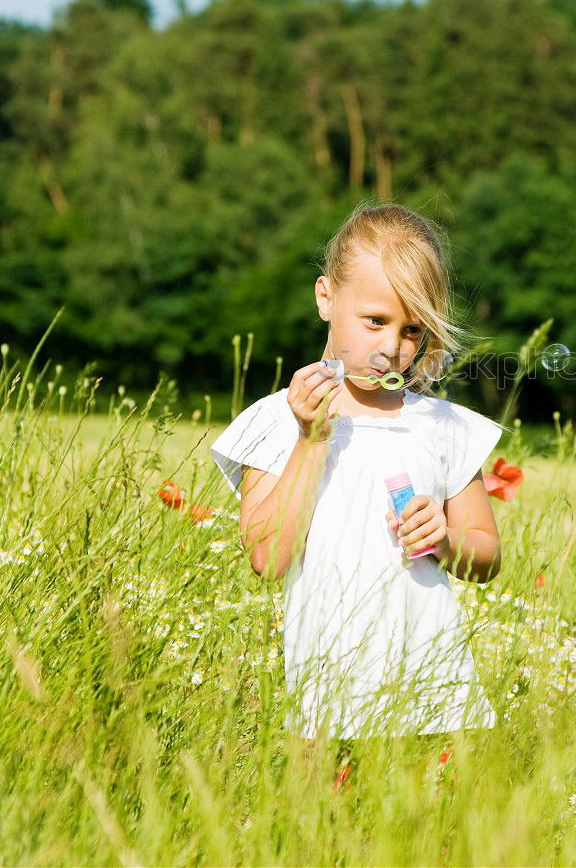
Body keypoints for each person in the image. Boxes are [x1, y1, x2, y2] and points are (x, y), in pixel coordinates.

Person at [209, 202, 504, 764]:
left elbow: (487, 558)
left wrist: (444, 541)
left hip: (433, 698)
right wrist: (311, 439)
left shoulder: (442, 427)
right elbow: (268, 558)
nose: (392, 347)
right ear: (326, 298)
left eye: (412, 329)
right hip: (328, 700)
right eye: (375, 321)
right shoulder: (274, 423)